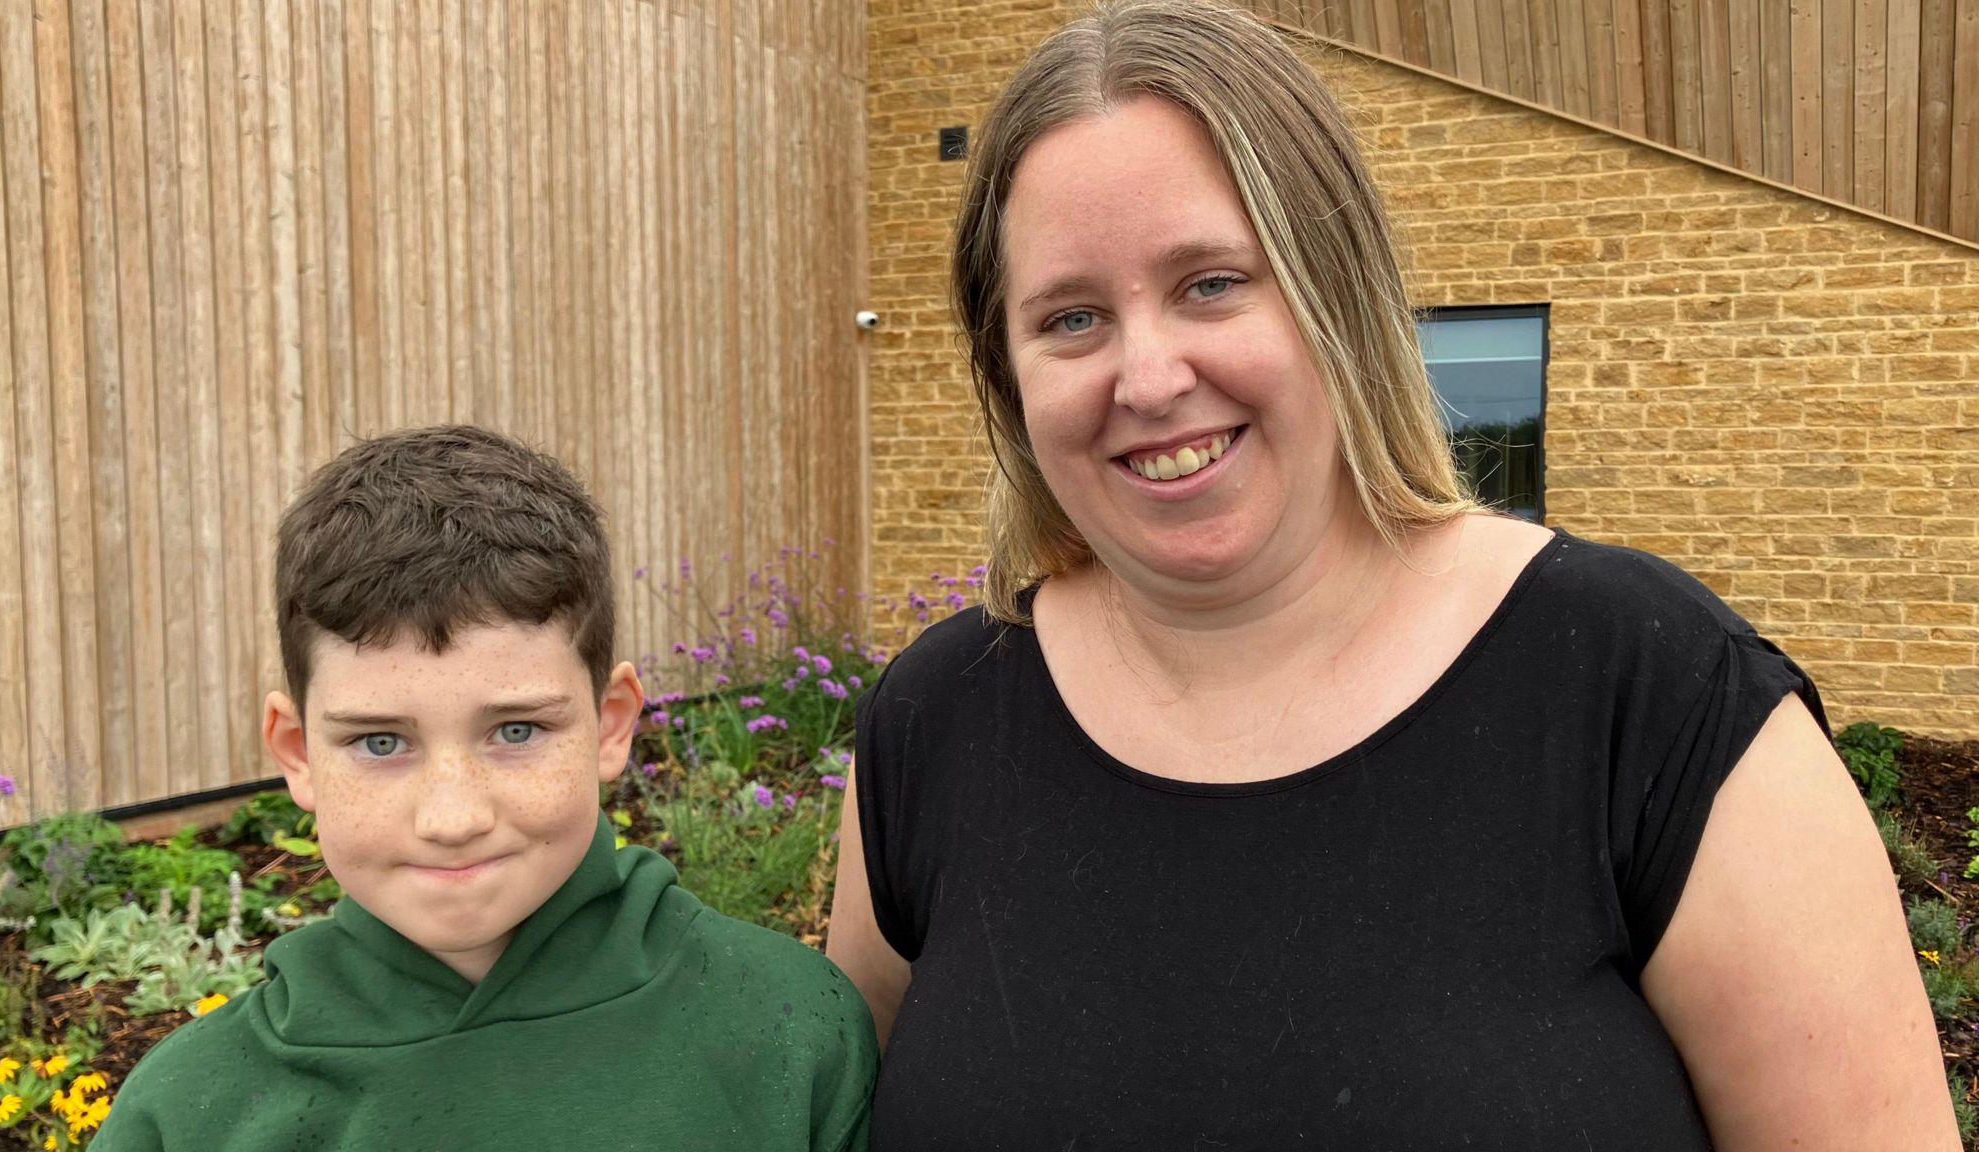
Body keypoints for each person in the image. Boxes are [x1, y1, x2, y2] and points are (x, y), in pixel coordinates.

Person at [825, 2, 1957, 1148]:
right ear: (1008, 376)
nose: (1148, 375)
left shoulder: (1647, 698)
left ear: (1337, 296)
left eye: (1210, 282)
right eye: (1069, 318)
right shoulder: (934, 724)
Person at [96, 425, 876, 1151]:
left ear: (611, 725)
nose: (453, 817)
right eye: (379, 742)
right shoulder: (185, 1111)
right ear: (297, 753)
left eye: (515, 731)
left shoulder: (793, 1034)